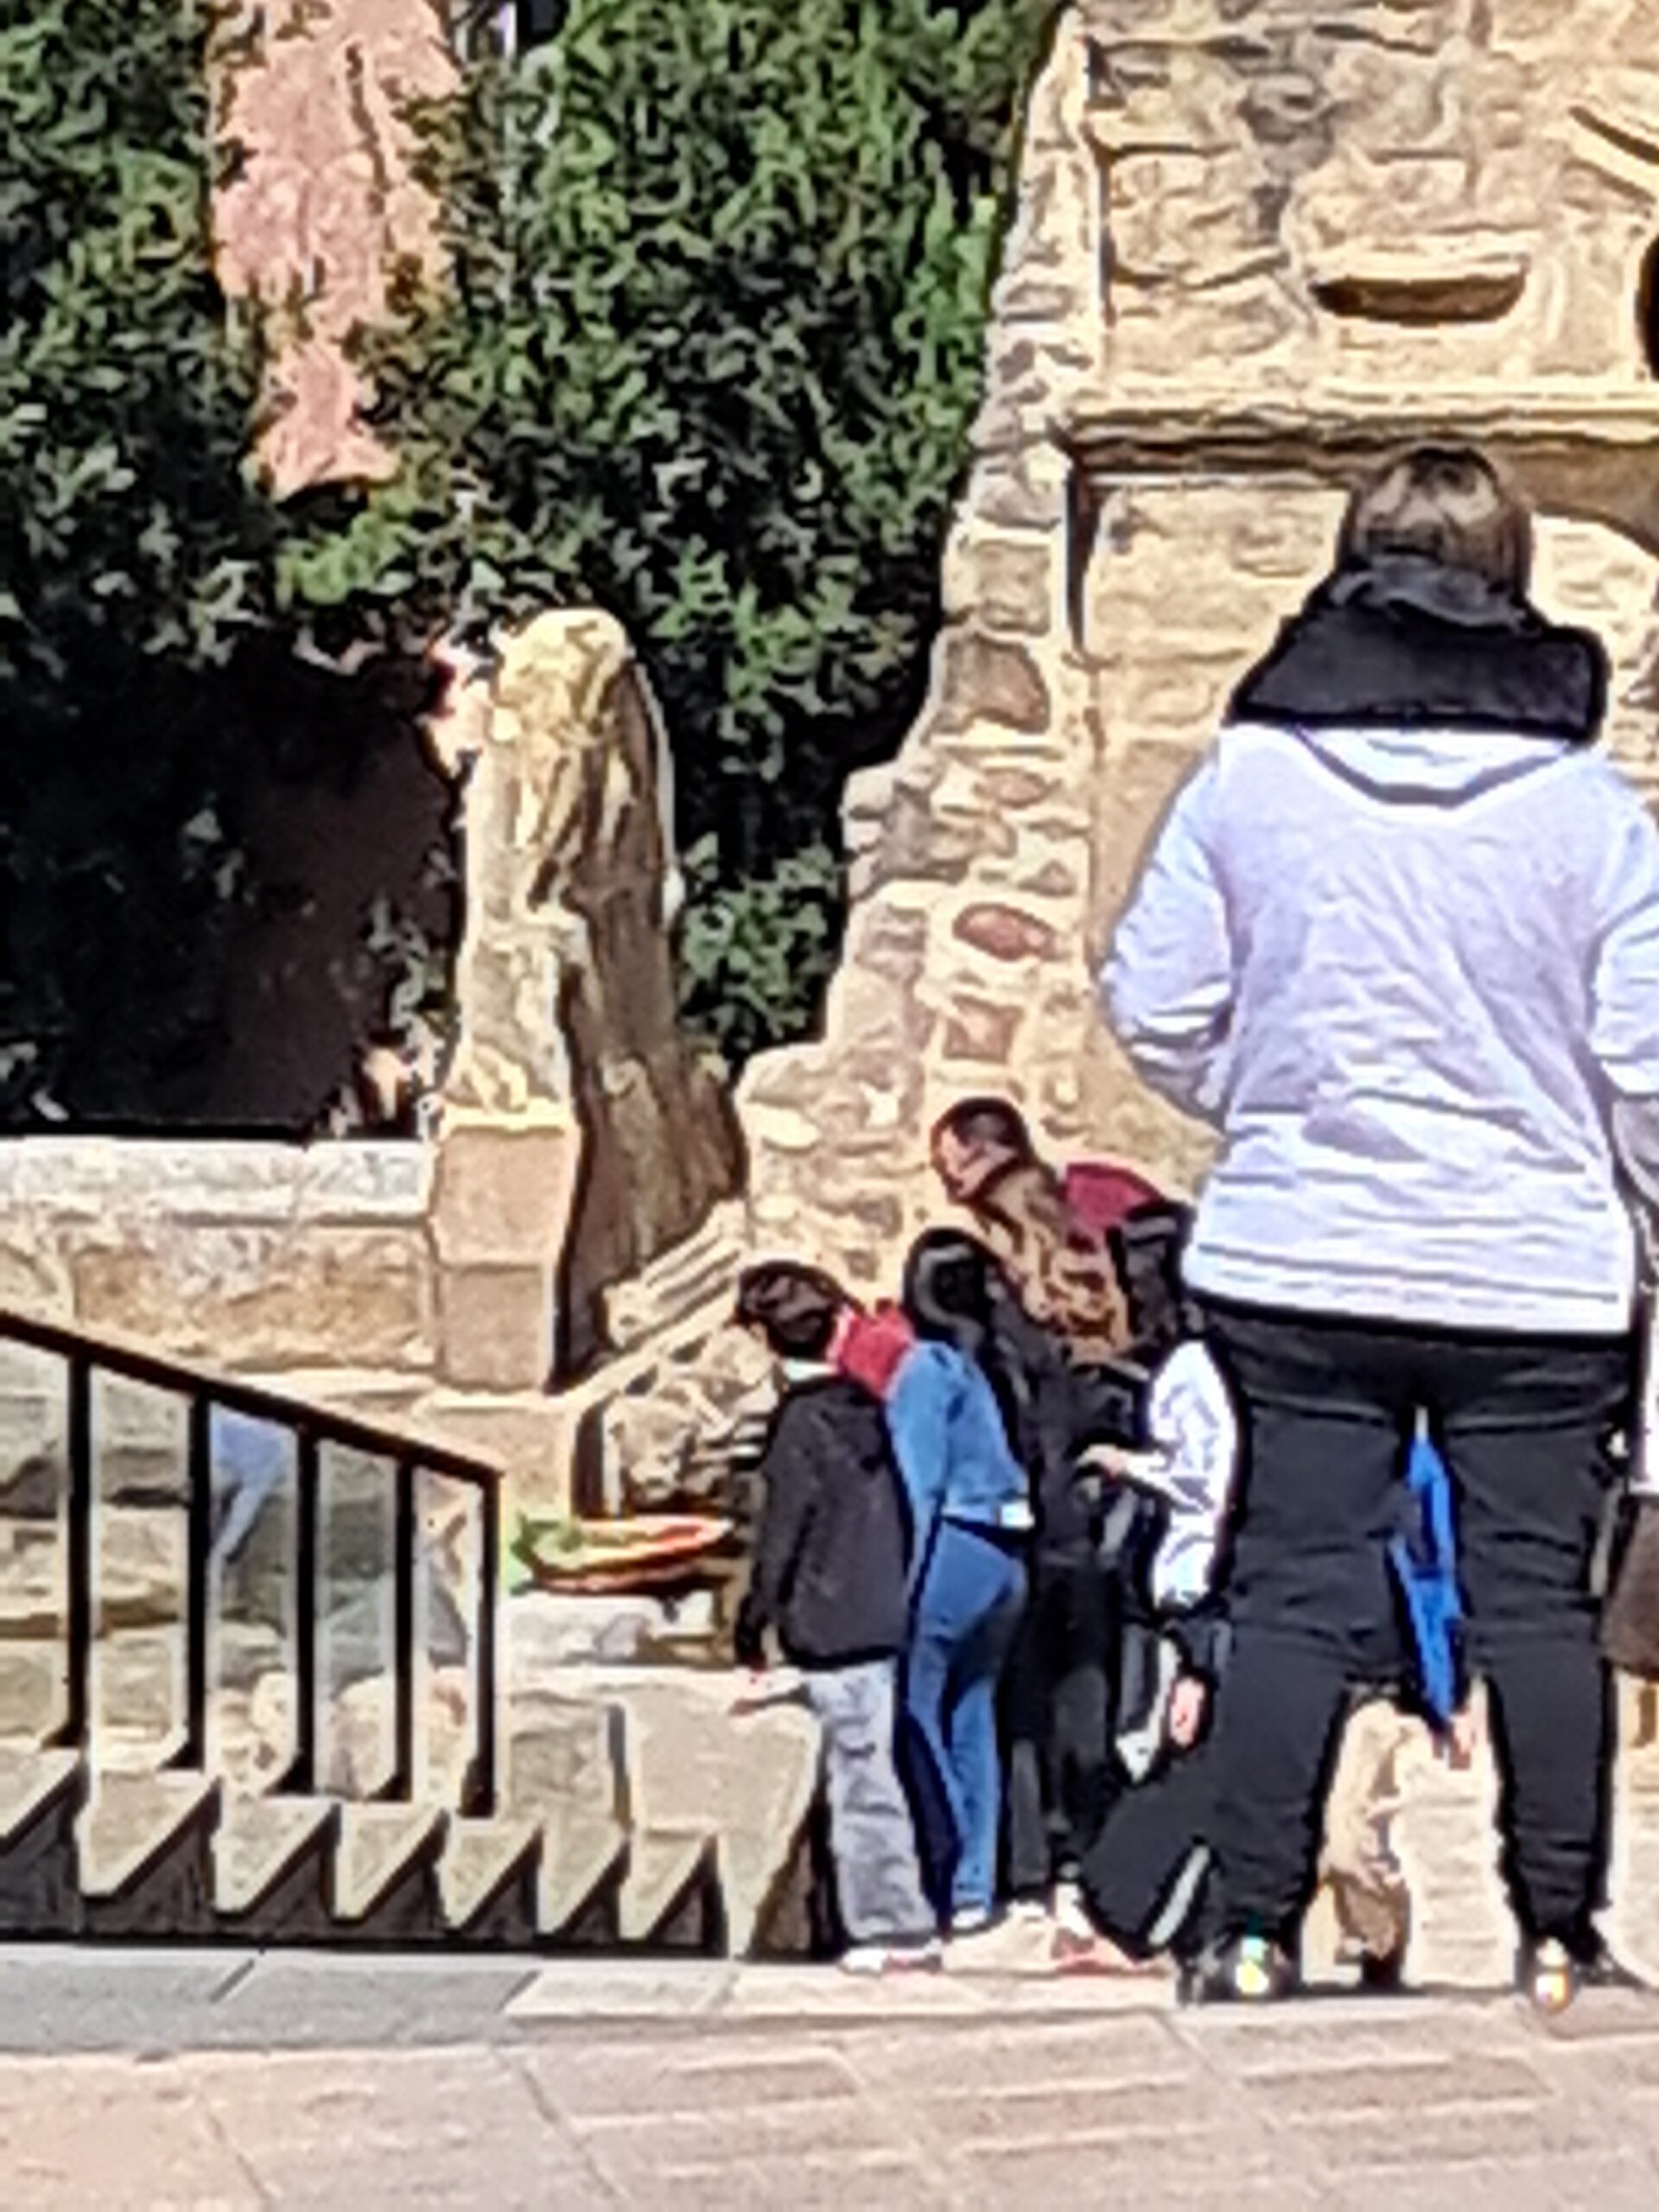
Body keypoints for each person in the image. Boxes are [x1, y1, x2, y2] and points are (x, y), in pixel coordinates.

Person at [1102, 442, 1659, 2010]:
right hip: (1532, 1265)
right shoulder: (1585, 808)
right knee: (1535, 1604)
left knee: (1292, 1591)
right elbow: (1644, 1057)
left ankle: (1249, 1930)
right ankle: (1559, 1931)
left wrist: (1267, 1098)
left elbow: (1156, 1001)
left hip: (1302, 1249)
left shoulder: (1250, 780)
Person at [730, 1261, 940, 1974]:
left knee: (861, 1782)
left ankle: (893, 1927)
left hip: (829, 1624)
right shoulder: (867, 1408)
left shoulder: (800, 1425)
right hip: (880, 1612)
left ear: (766, 1340)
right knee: (875, 1767)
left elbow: (781, 1535)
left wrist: (750, 1627)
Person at [883, 1233, 1033, 1942]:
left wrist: (898, 1587)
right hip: (1007, 1555)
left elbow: (919, 1483)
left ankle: (939, 1871)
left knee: (917, 1711)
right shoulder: (1000, 1365)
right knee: (974, 1715)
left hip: (953, 1547)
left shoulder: (927, 1370)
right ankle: (977, 1882)